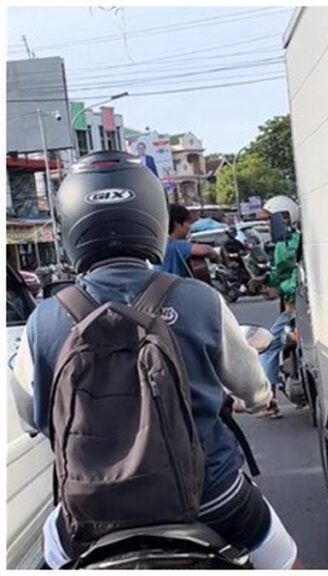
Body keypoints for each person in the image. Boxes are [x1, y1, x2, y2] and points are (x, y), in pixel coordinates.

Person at [9, 151, 300, 569]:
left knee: (51, 559)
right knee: (286, 560)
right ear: (151, 213)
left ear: (69, 224)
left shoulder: (45, 319)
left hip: (91, 511)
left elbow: (31, 419)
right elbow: (255, 391)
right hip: (210, 494)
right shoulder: (199, 300)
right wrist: (252, 401)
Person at [257, 195, 302, 419]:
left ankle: (269, 403)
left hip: (295, 308)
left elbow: (298, 277)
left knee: (266, 347)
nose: (266, 226)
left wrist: (278, 287)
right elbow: (282, 274)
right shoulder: (287, 241)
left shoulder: (290, 243)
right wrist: (267, 281)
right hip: (292, 305)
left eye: (269, 220)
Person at [161, 203, 219, 278]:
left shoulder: (163, 244)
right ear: (177, 224)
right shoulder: (176, 245)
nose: (189, 227)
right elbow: (204, 250)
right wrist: (217, 257)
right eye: (187, 223)